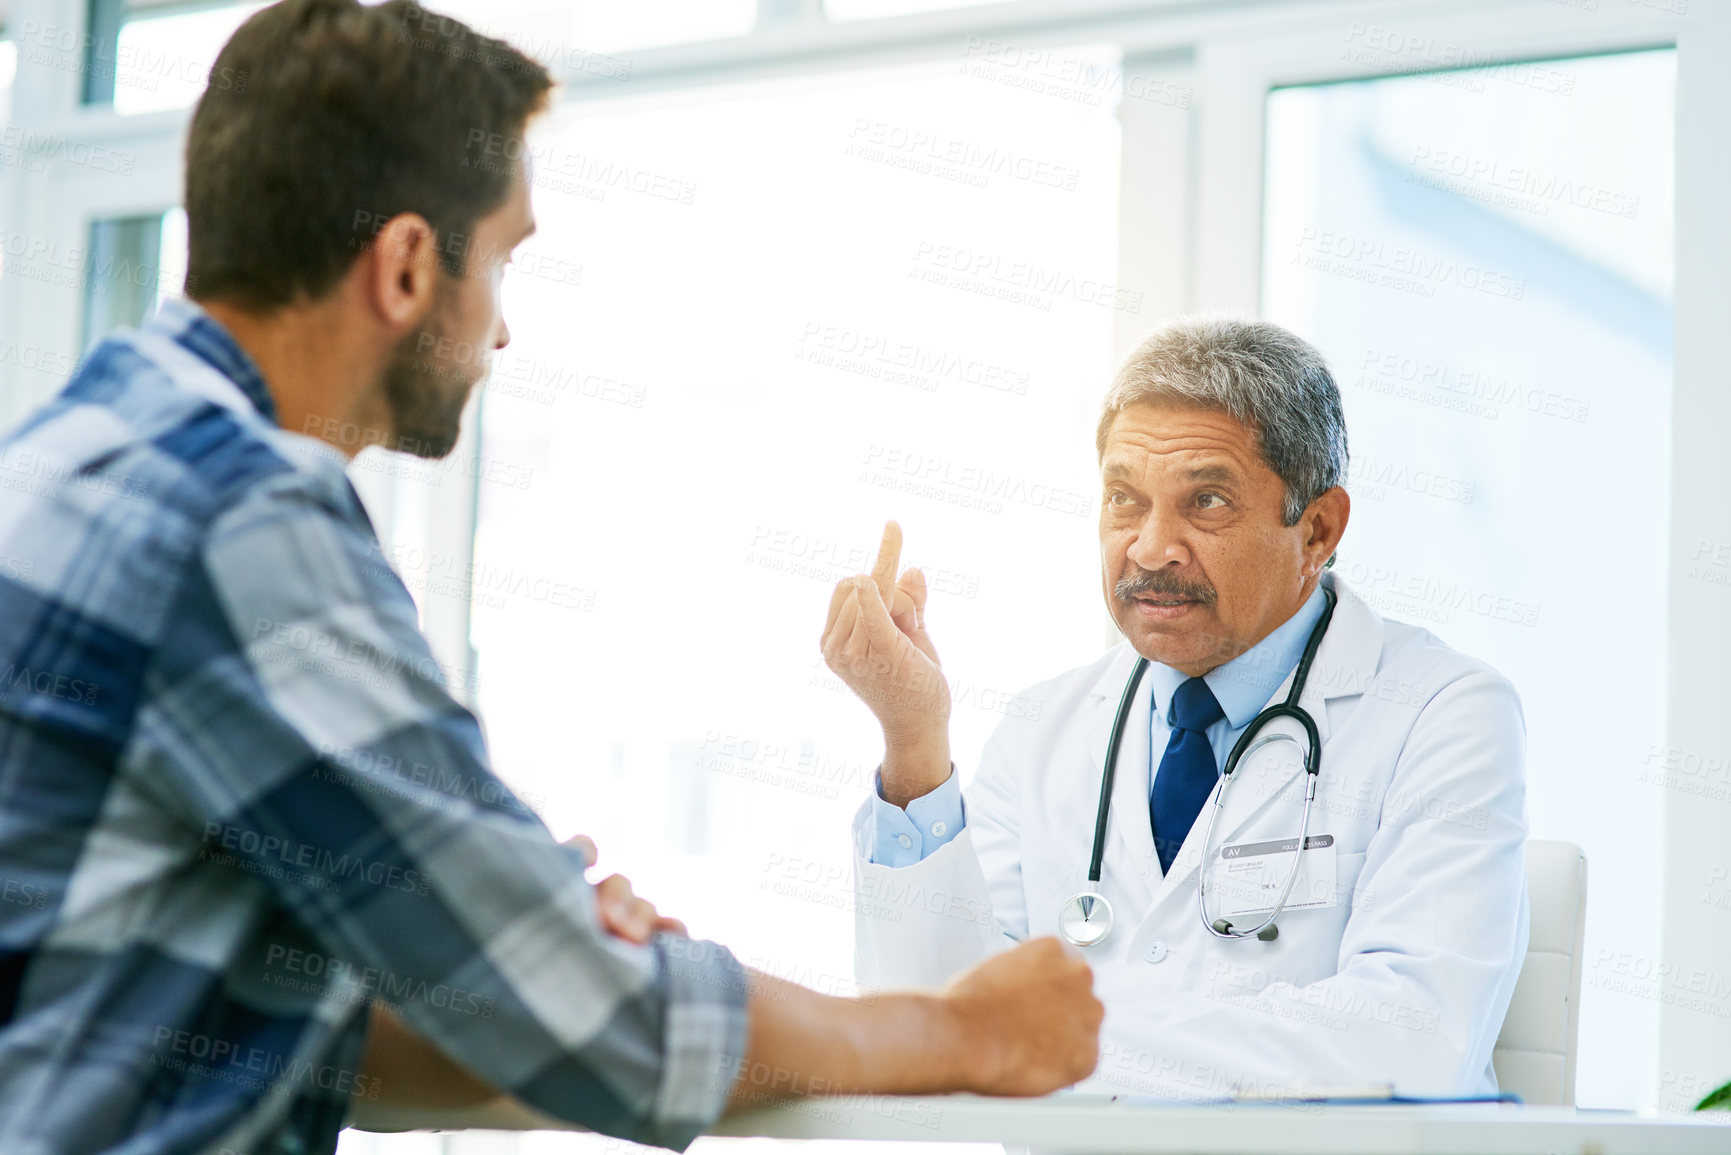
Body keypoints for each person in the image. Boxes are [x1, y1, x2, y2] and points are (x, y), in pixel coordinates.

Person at [0, 2, 1103, 1152]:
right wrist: (961, 1031)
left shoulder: (72, 457)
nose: (504, 332)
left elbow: (315, 1033)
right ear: (409, 266)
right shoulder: (240, 517)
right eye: (503, 261)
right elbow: (587, 1017)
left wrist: (497, 924)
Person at [822, 317, 1529, 1101]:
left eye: (1207, 500)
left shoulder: (1442, 713)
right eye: (1125, 499)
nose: (1152, 546)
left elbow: (1412, 1037)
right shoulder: (1042, 728)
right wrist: (913, 740)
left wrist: (1048, 1046)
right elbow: (932, 1033)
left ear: (1317, 529)